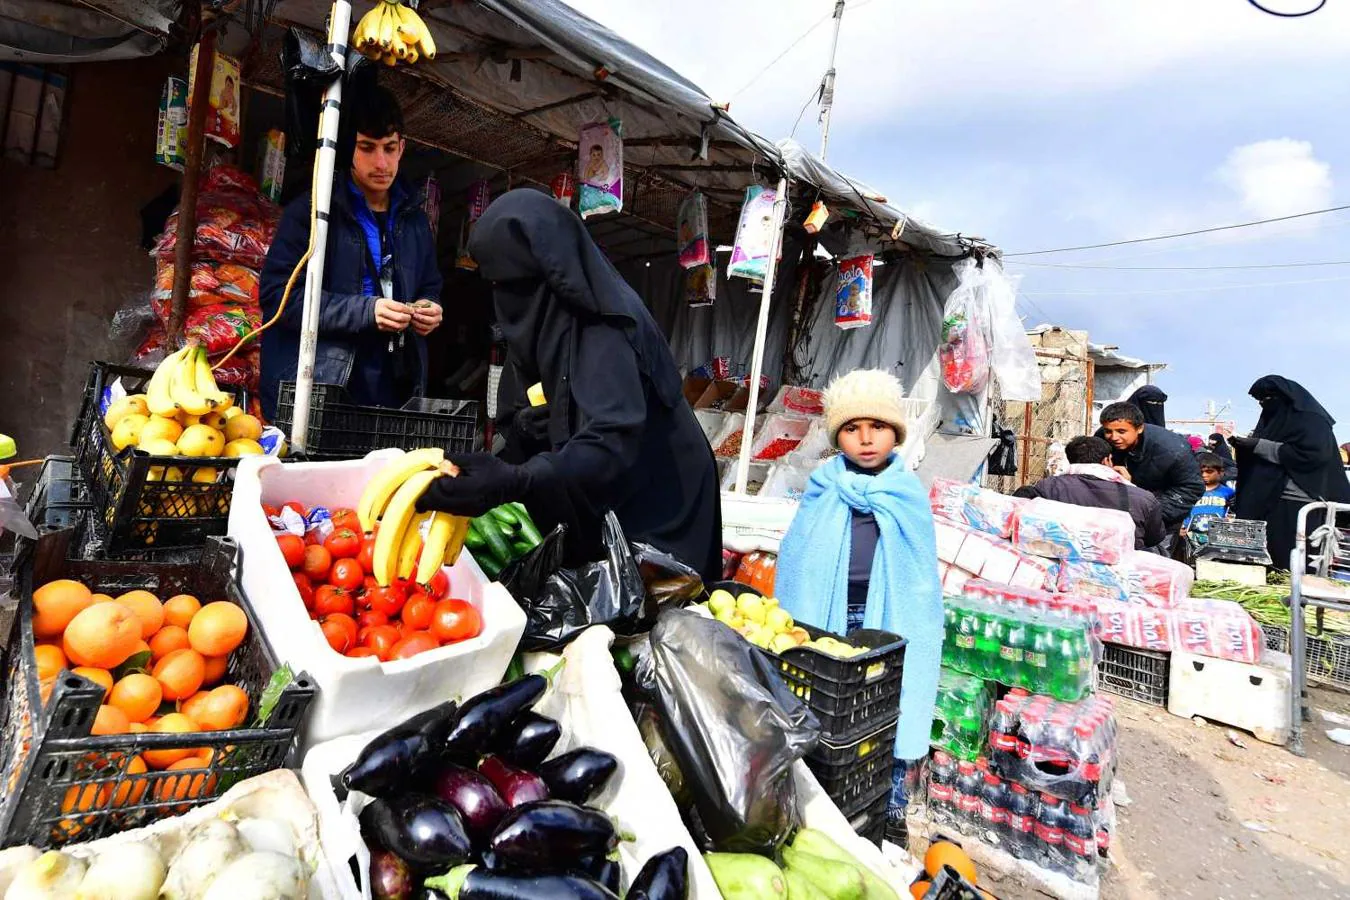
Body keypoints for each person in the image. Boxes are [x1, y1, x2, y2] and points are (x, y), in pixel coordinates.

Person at [414, 188, 722, 580]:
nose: (503, 301)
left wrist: (517, 480)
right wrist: (525, 426)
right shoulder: (545, 320)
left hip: (661, 496)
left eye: (510, 285)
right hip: (611, 494)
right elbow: (518, 408)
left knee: (656, 617)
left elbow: (611, 442)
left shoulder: (603, 327)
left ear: (545, 272)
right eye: (494, 285)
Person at [773, 369, 943, 839]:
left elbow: (918, 573)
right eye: (851, 428)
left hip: (887, 621)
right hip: (827, 618)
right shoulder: (824, 485)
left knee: (883, 710)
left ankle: (887, 804)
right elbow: (799, 555)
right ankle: (819, 791)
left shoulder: (907, 492)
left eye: (878, 427)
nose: (866, 439)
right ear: (837, 436)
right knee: (827, 707)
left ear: (895, 432)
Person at [258, 85, 443, 420]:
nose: (381, 162)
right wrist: (365, 311)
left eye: (389, 148)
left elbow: (430, 285)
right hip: (320, 391)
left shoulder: (415, 221)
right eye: (366, 148)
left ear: (402, 148)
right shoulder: (312, 213)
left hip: (394, 391)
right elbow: (278, 299)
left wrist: (430, 308)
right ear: (346, 148)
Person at [1231, 376, 1350, 568]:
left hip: (1300, 502)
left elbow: (1312, 455)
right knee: (1268, 560)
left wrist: (1260, 446)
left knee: (1291, 563)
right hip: (1269, 501)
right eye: (1260, 401)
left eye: (1267, 399)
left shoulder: (1312, 422)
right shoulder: (1275, 420)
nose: (1264, 404)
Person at [1015, 435, 1166, 551]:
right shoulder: (1142, 498)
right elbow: (1154, 538)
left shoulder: (1049, 486)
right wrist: (1131, 485)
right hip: (1122, 570)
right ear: (1107, 461)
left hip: (1064, 559)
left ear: (1071, 460)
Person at [1098, 402, 1205, 532]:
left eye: (1122, 431)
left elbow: (1191, 487)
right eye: (1108, 431)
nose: (1114, 437)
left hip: (1160, 520)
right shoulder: (1101, 440)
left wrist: (1148, 512)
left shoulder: (1172, 450)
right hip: (1114, 516)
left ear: (1139, 428)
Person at [1182, 451, 1237, 546]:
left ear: (1221, 472)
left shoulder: (1229, 493)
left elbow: (1233, 514)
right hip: (1190, 536)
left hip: (1219, 537)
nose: (1204, 475)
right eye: (1201, 472)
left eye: (1209, 472)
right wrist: (1182, 526)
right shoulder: (1190, 491)